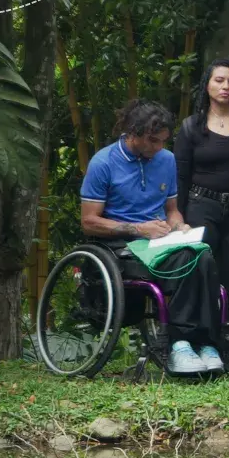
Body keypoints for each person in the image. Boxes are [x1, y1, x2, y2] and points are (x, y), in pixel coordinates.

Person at [81, 100, 214, 373]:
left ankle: (205, 343)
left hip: (159, 240)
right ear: (132, 132)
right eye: (153, 141)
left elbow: (172, 211)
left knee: (203, 254)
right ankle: (179, 343)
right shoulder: (103, 162)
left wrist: (180, 227)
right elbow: (89, 222)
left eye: (163, 141)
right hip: (121, 245)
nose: (158, 148)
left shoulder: (165, 160)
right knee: (182, 261)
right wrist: (138, 229)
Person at [175, 59, 229, 371]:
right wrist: (178, 217)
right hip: (200, 206)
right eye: (219, 80)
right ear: (207, 85)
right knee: (203, 275)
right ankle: (200, 346)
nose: (226, 87)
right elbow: (181, 177)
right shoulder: (191, 127)